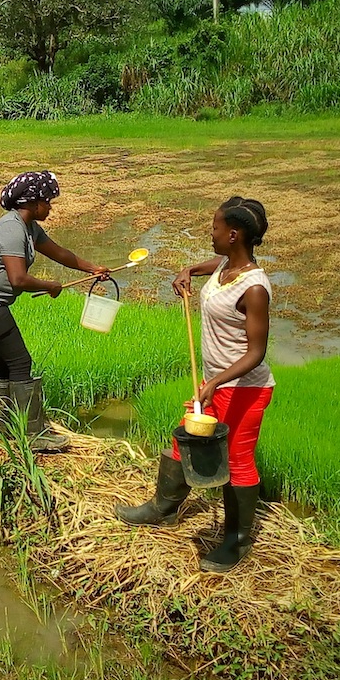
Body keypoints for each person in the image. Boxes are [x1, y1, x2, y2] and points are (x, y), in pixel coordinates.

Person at [115, 196, 273, 573]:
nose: (211, 232)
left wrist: (215, 382)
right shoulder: (224, 266)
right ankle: (163, 509)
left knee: (236, 460)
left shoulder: (254, 288)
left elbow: (257, 353)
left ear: (233, 235)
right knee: (183, 439)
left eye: (216, 227)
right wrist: (187, 271)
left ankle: (237, 541)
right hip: (216, 382)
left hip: (244, 389)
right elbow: (211, 265)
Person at [0, 170, 108, 454]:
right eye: (47, 201)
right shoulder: (12, 229)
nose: (50, 207)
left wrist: (92, 268)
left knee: (4, 364)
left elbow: (58, 252)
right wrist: (50, 285)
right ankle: (34, 434)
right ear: (32, 202)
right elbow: (18, 279)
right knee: (21, 363)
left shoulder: (28, 227)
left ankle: (1, 426)